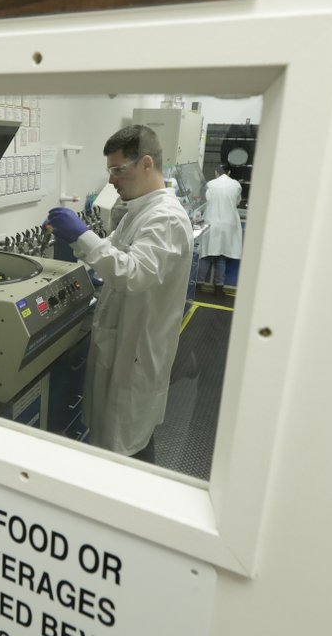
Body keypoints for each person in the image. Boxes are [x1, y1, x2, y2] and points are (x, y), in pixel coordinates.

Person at [46, 125, 193, 463]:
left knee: (128, 450)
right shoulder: (138, 211)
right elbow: (113, 253)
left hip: (137, 356)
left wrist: (81, 235)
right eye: (109, 171)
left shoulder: (165, 218)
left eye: (117, 170)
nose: (111, 180)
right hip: (122, 345)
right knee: (116, 442)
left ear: (145, 163)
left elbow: (134, 273)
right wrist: (78, 243)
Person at [197, 164, 243, 295]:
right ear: (228, 172)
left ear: (216, 172)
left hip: (211, 222)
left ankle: (198, 285)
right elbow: (237, 202)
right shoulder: (236, 185)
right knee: (221, 256)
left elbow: (205, 201)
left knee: (206, 254)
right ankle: (219, 288)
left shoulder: (210, 184)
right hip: (228, 224)